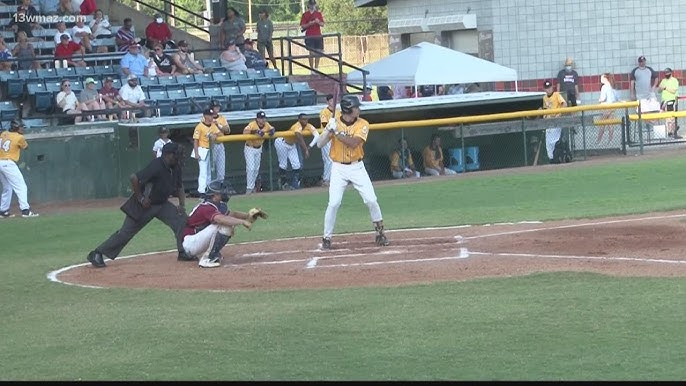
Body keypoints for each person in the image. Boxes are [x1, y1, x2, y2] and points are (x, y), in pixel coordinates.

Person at [86, 142, 188, 268]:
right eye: (175, 155)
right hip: (144, 205)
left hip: (161, 204)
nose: (178, 157)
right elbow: (134, 178)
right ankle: (97, 253)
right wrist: (140, 198)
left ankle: (183, 251)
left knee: (181, 220)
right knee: (125, 233)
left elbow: (180, 187)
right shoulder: (157, 165)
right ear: (167, 155)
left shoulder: (175, 167)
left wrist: (181, 205)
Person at [315, 94, 389, 249]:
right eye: (356, 107)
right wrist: (328, 130)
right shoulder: (334, 124)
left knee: (371, 200)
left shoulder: (363, 124)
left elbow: (354, 143)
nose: (359, 109)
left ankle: (380, 234)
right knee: (334, 203)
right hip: (338, 168)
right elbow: (320, 145)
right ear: (348, 109)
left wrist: (337, 133)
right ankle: (326, 238)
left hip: (357, 167)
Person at [181, 179, 254, 268]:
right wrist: (242, 222)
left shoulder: (218, 205)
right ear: (213, 196)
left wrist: (249, 216)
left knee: (226, 223)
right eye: (221, 193)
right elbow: (221, 219)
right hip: (190, 243)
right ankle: (207, 258)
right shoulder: (206, 207)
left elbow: (232, 214)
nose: (224, 194)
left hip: (198, 239)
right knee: (225, 225)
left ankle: (213, 254)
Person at [0, 120, 39, 219]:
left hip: (1, 162)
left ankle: (3, 211)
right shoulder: (19, 137)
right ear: (15, 128)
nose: (22, 129)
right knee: (21, 186)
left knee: (7, 187)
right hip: (9, 163)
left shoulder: (4, 133)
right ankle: (25, 211)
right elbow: (26, 147)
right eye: (21, 127)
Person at [276, 113, 317, 190]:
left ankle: (294, 185)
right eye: (303, 119)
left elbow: (317, 135)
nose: (306, 120)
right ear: (299, 120)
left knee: (297, 165)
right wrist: (306, 150)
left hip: (292, 144)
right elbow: (299, 136)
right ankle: (283, 183)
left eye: (307, 119)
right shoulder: (297, 125)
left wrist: (309, 146)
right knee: (283, 164)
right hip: (282, 142)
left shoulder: (308, 126)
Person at [242, 111, 275, 195]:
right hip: (250, 148)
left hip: (259, 148)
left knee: (256, 169)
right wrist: (255, 131)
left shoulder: (266, 124)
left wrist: (272, 131)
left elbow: (272, 128)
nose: (263, 120)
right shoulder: (252, 124)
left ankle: (252, 187)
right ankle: (249, 189)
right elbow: (245, 132)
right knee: (251, 168)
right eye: (261, 118)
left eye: (264, 118)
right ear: (257, 119)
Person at [192, 108, 221, 197]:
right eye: (209, 115)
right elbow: (195, 140)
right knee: (203, 171)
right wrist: (196, 153)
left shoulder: (213, 125)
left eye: (212, 115)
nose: (211, 117)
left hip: (210, 150)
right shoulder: (199, 126)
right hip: (201, 150)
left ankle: (208, 189)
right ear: (205, 116)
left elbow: (220, 134)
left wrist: (215, 135)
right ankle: (201, 191)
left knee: (208, 171)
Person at [542, 79, 567, 161]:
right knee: (548, 143)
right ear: (544, 89)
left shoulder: (556, 95)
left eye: (549, 87)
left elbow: (564, 104)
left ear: (552, 87)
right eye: (547, 88)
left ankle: (558, 157)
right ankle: (552, 159)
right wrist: (545, 116)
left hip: (556, 120)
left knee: (555, 140)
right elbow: (545, 109)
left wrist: (558, 114)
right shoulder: (544, 98)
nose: (549, 89)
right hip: (549, 122)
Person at [300, 0, 325, 72]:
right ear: (309, 5)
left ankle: (316, 68)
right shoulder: (305, 15)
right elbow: (302, 26)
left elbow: (322, 24)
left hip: (318, 35)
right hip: (309, 36)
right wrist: (310, 23)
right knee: (311, 53)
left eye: (313, 4)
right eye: (311, 4)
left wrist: (318, 22)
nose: (312, 6)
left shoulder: (318, 14)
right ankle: (311, 69)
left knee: (318, 52)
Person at [318, 93, 336, 187]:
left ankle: (330, 178)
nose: (333, 102)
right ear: (328, 101)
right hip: (325, 137)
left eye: (334, 100)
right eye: (331, 100)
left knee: (334, 158)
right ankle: (326, 179)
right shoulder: (324, 111)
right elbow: (325, 124)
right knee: (328, 159)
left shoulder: (338, 111)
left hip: (335, 137)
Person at [209, 100, 230, 181]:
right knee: (211, 170)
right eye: (215, 107)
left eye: (218, 106)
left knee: (221, 171)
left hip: (220, 145)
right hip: (211, 146)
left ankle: (220, 189)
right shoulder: (206, 118)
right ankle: (211, 189)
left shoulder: (221, 118)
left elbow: (227, 130)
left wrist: (218, 125)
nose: (217, 108)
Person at [596, 73, 619, 145]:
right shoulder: (613, 86)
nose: (601, 79)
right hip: (612, 107)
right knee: (610, 124)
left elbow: (603, 98)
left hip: (605, 108)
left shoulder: (604, 87)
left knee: (602, 124)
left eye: (602, 78)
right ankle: (610, 140)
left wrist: (599, 100)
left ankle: (598, 141)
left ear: (606, 78)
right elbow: (617, 98)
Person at [658, 67, 680, 138]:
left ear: (671, 73)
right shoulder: (663, 80)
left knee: (671, 117)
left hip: (671, 101)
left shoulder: (674, 80)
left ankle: (672, 131)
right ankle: (670, 131)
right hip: (664, 101)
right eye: (665, 73)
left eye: (668, 73)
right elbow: (659, 90)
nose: (666, 74)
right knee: (666, 117)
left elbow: (673, 91)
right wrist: (661, 88)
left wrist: (665, 88)